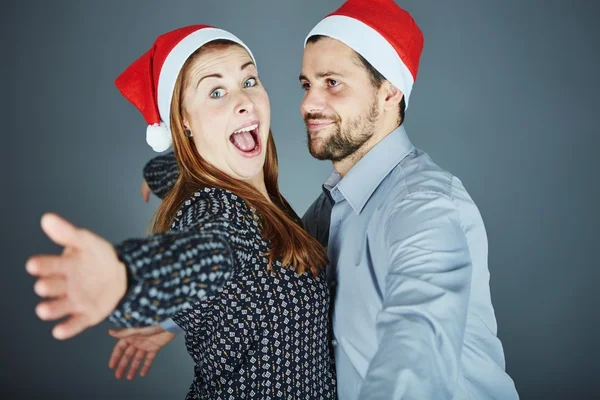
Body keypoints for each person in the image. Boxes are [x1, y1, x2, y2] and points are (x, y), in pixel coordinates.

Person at [130, 1, 521, 399]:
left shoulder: (421, 206)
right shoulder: (323, 214)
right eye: (307, 84)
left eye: (332, 82)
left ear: (389, 93)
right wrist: (170, 306)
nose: (308, 104)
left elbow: (418, 334)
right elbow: (229, 247)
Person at [26, 24, 336, 399]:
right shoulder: (220, 210)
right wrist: (124, 277)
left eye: (249, 81)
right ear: (184, 122)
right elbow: (208, 252)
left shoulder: (257, 195)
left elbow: (172, 170)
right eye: (216, 91)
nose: (243, 101)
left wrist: (156, 172)